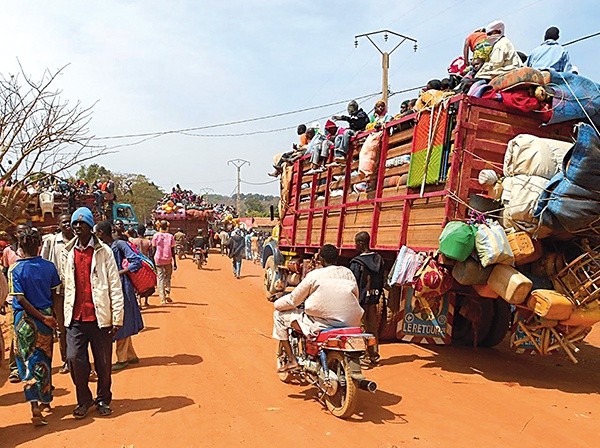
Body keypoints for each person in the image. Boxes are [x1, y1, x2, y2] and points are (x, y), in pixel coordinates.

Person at [61, 207, 124, 419]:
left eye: (82, 224)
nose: (77, 227)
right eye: (74, 224)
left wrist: (117, 317)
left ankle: (103, 399)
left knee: (103, 362)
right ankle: (84, 399)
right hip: (75, 317)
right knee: (74, 359)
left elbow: (115, 284)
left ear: (90, 226)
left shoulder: (104, 251)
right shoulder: (67, 252)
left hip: (99, 317)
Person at [273, 244, 363, 372]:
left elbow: (293, 300)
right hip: (351, 322)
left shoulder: (314, 275)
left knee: (279, 316)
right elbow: (355, 295)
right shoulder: (347, 272)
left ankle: (293, 361)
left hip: (323, 324)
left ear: (320, 260)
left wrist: (277, 304)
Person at [8, 227, 61, 426]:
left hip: (23, 321)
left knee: (25, 360)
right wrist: (50, 317)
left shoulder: (15, 269)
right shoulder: (49, 267)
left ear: (20, 246)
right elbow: (55, 294)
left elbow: (19, 299)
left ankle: (34, 405)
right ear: (39, 245)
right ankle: (46, 400)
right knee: (44, 359)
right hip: (45, 317)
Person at [95, 220, 144, 372]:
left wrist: (118, 273)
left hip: (122, 287)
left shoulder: (120, 245)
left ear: (101, 233)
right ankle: (130, 355)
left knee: (120, 320)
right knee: (124, 319)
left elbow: (136, 262)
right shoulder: (104, 247)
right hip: (111, 287)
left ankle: (122, 359)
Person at [40, 213, 74, 374]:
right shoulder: (52, 242)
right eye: (64, 222)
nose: (67, 224)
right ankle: (66, 360)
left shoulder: (79, 240)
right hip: (59, 292)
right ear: (58, 225)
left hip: (79, 291)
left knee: (80, 326)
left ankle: (79, 359)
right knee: (62, 327)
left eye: (69, 221)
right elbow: (44, 264)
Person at [349, 232, 385, 366]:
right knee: (373, 327)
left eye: (356, 243)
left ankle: (364, 356)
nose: (355, 246)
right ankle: (374, 355)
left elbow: (353, 283)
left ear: (361, 244)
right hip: (374, 298)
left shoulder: (356, 263)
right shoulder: (379, 259)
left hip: (361, 300)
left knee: (362, 327)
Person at [151, 220, 177, 304]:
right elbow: (173, 250)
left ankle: (162, 298)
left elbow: (154, 249)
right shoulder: (170, 236)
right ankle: (167, 292)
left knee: (160, 278)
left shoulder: (156, 236)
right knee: (168, 276)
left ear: (159, 227)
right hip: (168, 259)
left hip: (158, 259)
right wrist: (175, 262)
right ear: (167, 227)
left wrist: (152, 260)